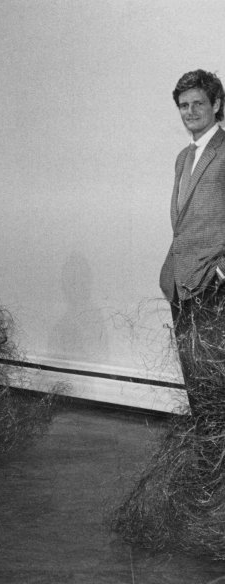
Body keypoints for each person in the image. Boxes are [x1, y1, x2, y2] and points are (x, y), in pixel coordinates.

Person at [160, 70, 225, 421]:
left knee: (217, 382)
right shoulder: (184, 157)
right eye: (183, 105)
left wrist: (221, 273)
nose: (190, 111)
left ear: (216, 104)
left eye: (198, 103)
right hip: (181, 285)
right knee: (196, 384)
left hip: (214, 286)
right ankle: (206, 466)